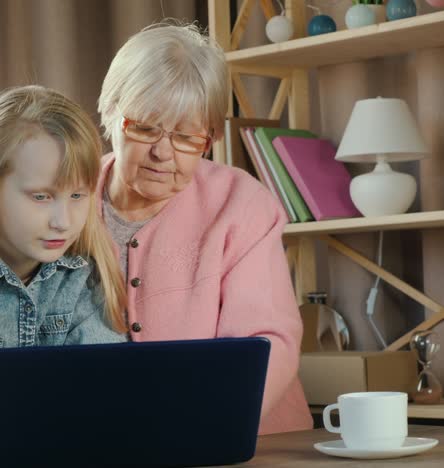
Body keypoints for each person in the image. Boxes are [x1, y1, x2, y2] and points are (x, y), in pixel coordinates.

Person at [97, 21, 312, 434]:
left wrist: (210, 430)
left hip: (247, 439)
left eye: (186, 138)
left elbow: (266, 341)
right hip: (107, 438)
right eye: (144, 128)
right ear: (110, 113)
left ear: (209, 139)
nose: (162, 153)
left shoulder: (242, 204)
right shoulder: (66, 196)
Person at [0, 85, 128, 347]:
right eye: (41, 197)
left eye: (77, 196)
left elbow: (102, 380)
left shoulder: (81, 280)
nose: (63, 223)